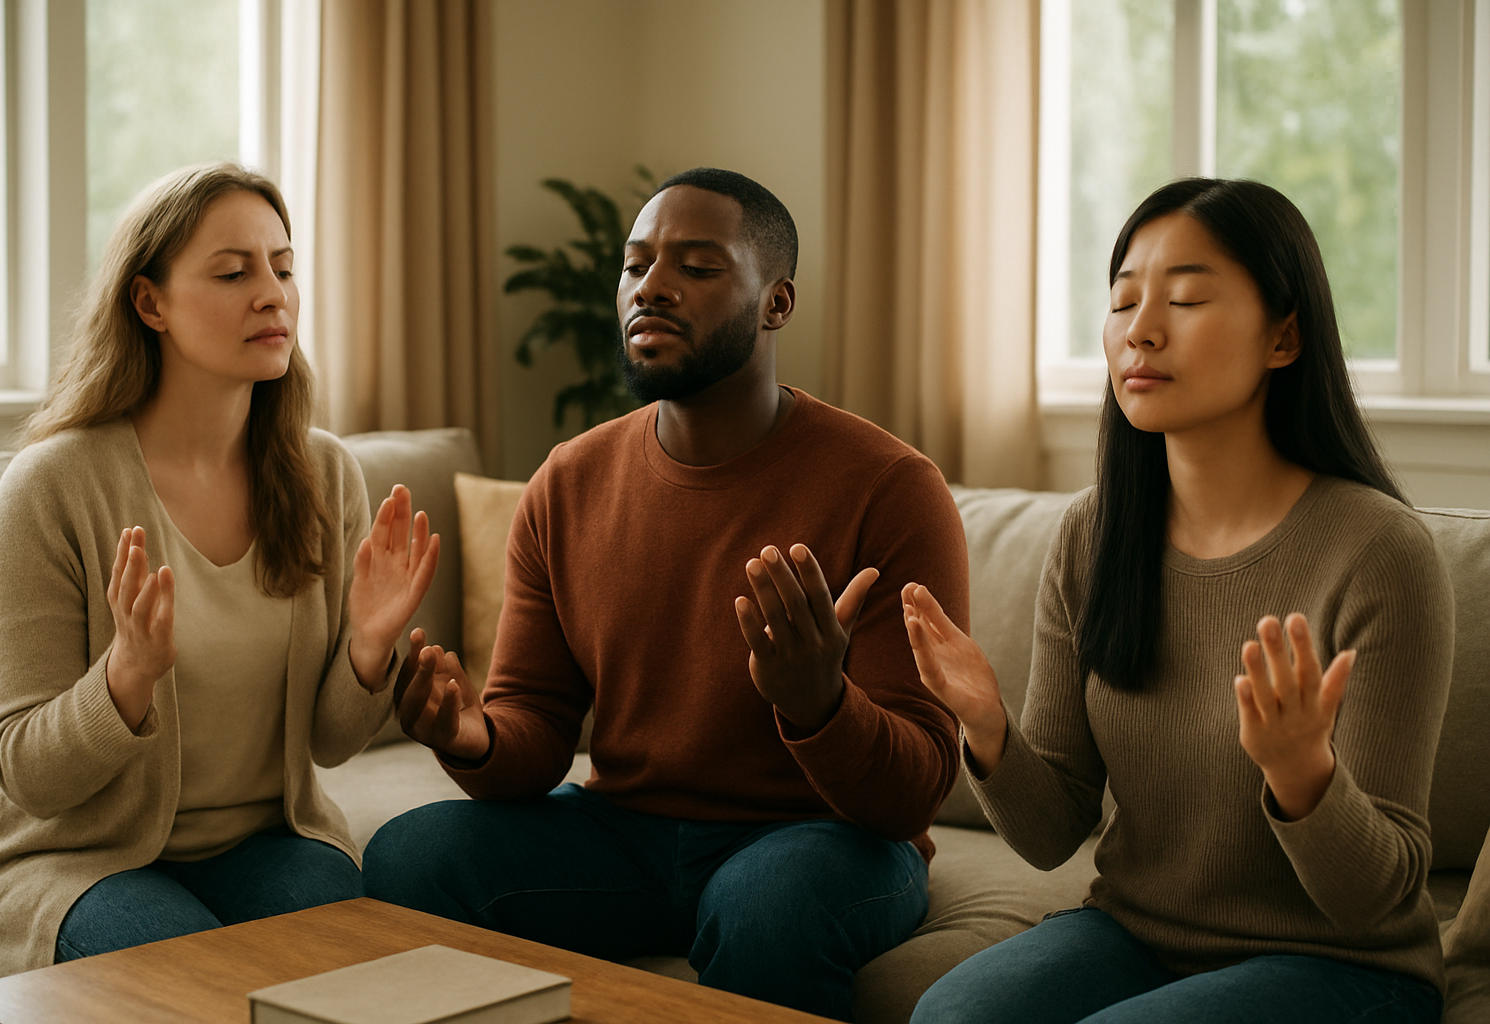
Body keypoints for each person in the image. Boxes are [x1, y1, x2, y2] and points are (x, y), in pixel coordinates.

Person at [362, 167, 969, 1021]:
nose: (652, 287)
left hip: (824, 839)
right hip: (627, 832)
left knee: (767, 907)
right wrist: (470, 737)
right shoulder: (568, 482)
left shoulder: (891, 488)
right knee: (412, 854)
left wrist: (819, 705)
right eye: (636, 264)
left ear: (776, 303)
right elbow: (534, 725)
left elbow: (916, 788)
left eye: (696, 265)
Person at [900, 178, 1452, 1024]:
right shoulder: (1095, 535)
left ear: (1284, 336)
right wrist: (987, 726)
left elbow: (1377, 902)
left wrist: (1305, 777)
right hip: (1136, 931)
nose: (1141, 331)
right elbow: (1053, 835)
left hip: (1346, 965)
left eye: (1187, 298)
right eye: (1123, 304)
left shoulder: (1379, 553)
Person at [0, 163, 439, 976]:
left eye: (283, 267)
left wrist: (367, 651)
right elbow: (28, 773)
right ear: (150, 303)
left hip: (262, 843)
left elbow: (326, 745)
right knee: (186, 975)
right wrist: (125, 678)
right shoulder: (54, 485)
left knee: (366, 966)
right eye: (233, 271)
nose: (273, 293)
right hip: (73, 856)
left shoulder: (322, 475)